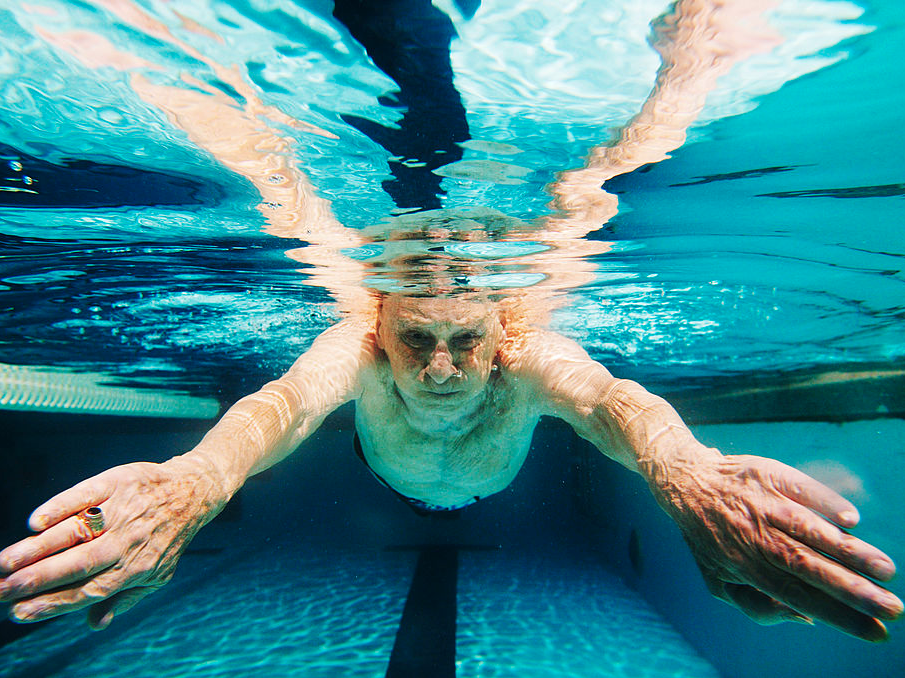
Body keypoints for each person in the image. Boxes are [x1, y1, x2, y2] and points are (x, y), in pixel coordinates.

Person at [1, 0, 901, 644]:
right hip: (391, 476)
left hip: (472, 483)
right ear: (381, 321)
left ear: (500, 329)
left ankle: (698, 47)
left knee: (639, 141)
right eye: (415, 338)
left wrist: (687, 474)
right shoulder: (355, 342)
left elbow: (613, 402)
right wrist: (191, 486)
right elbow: (280, 408)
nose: (437, 366)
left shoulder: (524, 350)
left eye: (463, 338)